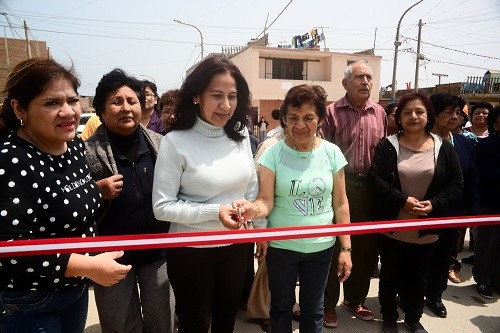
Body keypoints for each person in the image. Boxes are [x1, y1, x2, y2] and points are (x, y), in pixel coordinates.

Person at [0, 58, 131, 332]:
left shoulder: (72, 147)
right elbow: (11, 249)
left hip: (75, 288)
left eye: (72, 100)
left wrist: (98, 190)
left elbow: (60, 197)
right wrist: (90, 266)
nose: (68, 111)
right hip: (30, 300)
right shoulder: (11, 161)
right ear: (19, 108)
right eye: (51, 103)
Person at [151, 56, 259, 333]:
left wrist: (254, 219)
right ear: (197, 96)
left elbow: (251, 187)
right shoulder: (175, 142)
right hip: (190, 252)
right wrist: (215, 212)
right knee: (195, 324)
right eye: (217, 96)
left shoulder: (241, 134)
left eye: (232, 96)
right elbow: (162, 207)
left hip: (235, 248)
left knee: (226, 322)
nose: (226, 105)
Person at [234, 84, 352, 333]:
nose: (300, 125)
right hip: (282, 248)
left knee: (313, 311)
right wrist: (251, 209)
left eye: (308, 117)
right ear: (284, 119)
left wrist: (346, 248)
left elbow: (341, 203)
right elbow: (265, 200)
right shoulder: (272, 154)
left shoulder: (332, 154)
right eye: (293, 118)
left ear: (320, 119)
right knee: (281, 308)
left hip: (321, 247)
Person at [85, 69, 174, 332]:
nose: (126, 108)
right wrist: (96, 192)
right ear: (101, 109)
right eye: (116, 101)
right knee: (119, 323)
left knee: (162, 320)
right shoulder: (86, 151)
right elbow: (74, 199)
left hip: (157, 252)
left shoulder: (161, 144)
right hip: (111, 255)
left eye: (132, 101)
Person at [368, 92, 463, 333]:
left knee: (418, 277)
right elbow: (376, 180)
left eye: (419, 112)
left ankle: (413, 317)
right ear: (398, 118)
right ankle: (388, 316)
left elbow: (456, 183)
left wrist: (435, 203)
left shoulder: (443, 148)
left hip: (426, 229)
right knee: (389, 275)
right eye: (407, 112)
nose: (413, 116)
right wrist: (402, 201)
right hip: (393, 228)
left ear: (428, 116)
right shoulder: (388, 145)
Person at [320, 60, 387, 327]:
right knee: (335, 245)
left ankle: (354, 299)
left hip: (371, 185)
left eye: (369, 77)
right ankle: (327, 305)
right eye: (359, 77)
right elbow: (322, 151)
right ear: (345, 83)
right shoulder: (332, 112)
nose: (365, 82)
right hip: (340, 183)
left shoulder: (379, 112)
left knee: (365, 247)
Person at [425, 93, 479, 318]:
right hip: (424, 212)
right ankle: (410, 293)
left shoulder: (465, 142)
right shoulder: (420, 140)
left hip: (453, 213)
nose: (454, 117)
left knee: (443, 256)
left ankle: (435, 296)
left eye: (457, 113)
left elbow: (471, 179)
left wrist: (472, 212)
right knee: (420, 256)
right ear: (434, 114)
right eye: (448, 112)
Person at [472, 105, 500, 299]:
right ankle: (482, 279)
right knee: (487, 243)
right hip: (490, 201)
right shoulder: (484, 145)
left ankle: (497, 280)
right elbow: (478, 175)